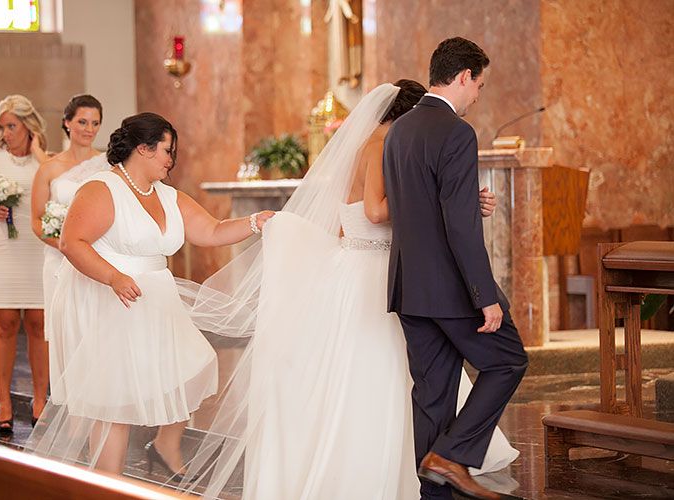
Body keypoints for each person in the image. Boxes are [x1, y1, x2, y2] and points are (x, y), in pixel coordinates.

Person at [176, 81, 517, 500]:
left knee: (398, 378)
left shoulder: (372, 144)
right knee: (384, 376)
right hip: (372, 270)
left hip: (363, 264)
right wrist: (441, 197)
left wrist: (455, 199)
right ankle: (392, 476)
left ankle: (424, 472)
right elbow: (374, 211)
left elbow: (349, 218)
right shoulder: (380, 144)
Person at [25, 112, 274, 475]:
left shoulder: (168, 195)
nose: (170, 159)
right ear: (142, 148)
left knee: (193, 366)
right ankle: (106, 483)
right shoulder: (102, 188)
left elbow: (213, 230)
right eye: (166, 151)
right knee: (113, 398)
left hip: (154, 298)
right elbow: (71, 242)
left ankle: (165, 444)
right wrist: (113, 277)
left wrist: (255, 222)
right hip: (109, 299)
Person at [384, 38, 528, 500]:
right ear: (464, 76)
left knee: (433, 395)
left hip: (409, 288)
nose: (477, 97)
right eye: (479, 85)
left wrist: (472, 202)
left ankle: (434, 491)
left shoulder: (399, 130)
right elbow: (459, 228)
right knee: (508, 360)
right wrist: (484, 294)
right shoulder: (457, 132)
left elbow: (421, 206)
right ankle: (452, 455)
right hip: (451, 289)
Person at [0, 95, 51, 434]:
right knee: (4, 325)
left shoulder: (44, 161)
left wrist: (37, 152)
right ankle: (2, 400)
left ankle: (40, 399)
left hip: (35, 249)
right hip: (4, 250)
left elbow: (57, 188)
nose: (5, 133)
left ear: (28, 126)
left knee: (38, 325)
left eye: (12, 126)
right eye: (2, 127)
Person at [30, 94, 108, 394]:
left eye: (95, 123)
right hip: (57, 260)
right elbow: (37, 220)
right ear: (67, 122)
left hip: (95, 259)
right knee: (64, 333)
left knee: (94, 330)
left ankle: (97, 399)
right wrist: (64, 244)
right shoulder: (49, 169)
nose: (88, 129)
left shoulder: (107, 166)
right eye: (82, 122)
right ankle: (69, 409)